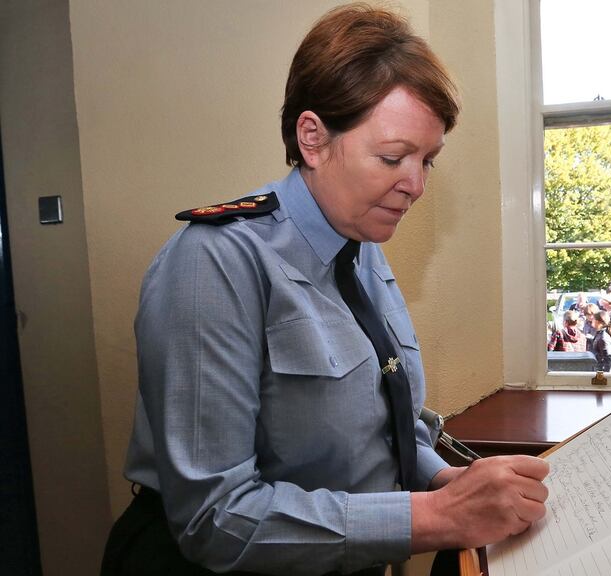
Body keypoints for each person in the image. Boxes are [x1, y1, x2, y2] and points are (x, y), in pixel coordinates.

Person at [101, 5, 548, 576]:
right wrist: (436, 516)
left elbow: (383, 420)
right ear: (313, 138)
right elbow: (215, 520)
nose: (415, 185)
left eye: (428, 161)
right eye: (393, 157)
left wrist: (446, 478)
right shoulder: (214, 261)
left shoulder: (361, 248)